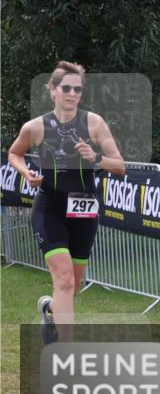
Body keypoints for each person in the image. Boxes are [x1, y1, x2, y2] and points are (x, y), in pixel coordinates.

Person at [7, 61, 126, 342]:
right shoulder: (35, 127)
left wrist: (96, 158)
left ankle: (49, 308)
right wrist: (27, 173)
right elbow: (15, 153)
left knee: (73, 288)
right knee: (63, 279)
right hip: (50, 208)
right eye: (66, 88)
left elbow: (120, 166)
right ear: (53, 90)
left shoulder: (94, 123)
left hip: (85, 209)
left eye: (78, 89)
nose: (72, 94)